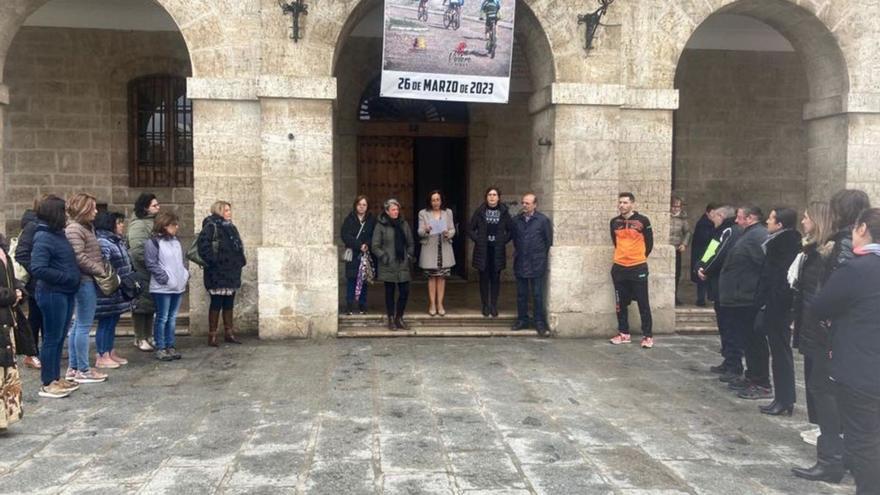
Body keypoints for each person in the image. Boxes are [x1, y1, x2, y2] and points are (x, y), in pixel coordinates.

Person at [810, 208, 880, 494]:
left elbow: (820, 306)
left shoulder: (858, 267)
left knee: (863, 439)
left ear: (862, 228)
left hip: (861, 367)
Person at [790, 202, 844, 483]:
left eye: (808, 217)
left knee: (825, 394)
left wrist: (815, 329)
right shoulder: (814, 251)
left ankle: (832, 460)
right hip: (814, 331)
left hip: (822, 335)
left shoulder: (826, 254)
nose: (803, 222)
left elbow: (818, 298)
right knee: (819, 392)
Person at [29, 195, 80, 398]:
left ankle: (56, 378)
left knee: (59, 338)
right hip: (52, 293)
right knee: (51, 338)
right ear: (55, 213)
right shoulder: (42, 236)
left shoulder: (58, 234)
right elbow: (38, 268)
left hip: (65, 292)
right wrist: (65, 277)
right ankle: (48, 382)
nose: (66, 215)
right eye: (64, 211)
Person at [717, 206, 769, 399]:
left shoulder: (757, 236)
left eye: (739, 218)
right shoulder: (748, 234)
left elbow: (763, 266)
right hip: (739, 297)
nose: (736, 221)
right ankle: (752, 377)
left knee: (754, 342)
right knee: (746, 340)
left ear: (750, 218)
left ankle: (760, 381)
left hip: (747, 298)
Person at [753, 207, 801, 412]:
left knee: (781, 353)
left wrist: (771, 303)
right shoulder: (778, 243)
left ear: (780, 224)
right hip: (775, 304)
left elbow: (780, 280)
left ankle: (785, 399)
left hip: (777, 307)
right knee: (779, 352)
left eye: (771, 219)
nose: (767, 222)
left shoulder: (782, 245)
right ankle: (783, 398)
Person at [64, 193, 108, 384]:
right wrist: (100, 270)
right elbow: (79, 256)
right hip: (84, 281)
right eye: (93, 207)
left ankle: (75, 368)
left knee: (78, 326)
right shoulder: (75, 229)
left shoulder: (83, 228)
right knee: (82, 325)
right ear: (83, 209)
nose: (96, 211)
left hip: (86, 280)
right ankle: (82, 369)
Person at [697, 205, 741, 375]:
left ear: (721, 216)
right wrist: (700, 265)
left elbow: (719, 254)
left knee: (728, 325)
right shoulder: (720, 232)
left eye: (714, 216)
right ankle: (728, 360)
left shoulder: (729, 231)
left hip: (723, 286)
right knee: (724, 325)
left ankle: (732, 363)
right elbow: (710, 251)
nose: (711, 219)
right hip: (717, 285)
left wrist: (705, 269)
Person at [199, 201, 247, 347]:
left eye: (229, 210)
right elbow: (204, 247)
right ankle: (212, 335)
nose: (229, 213)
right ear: (219, 211)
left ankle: (229, 332)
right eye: (226, 210)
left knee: (229, 302)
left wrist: (239, 261)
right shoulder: (211, 226)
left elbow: (237, 247)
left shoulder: (231, 227)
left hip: (231, 271)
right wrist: (215, 262)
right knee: (216, 302)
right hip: (217, 272)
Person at [609, 192, 654, 347]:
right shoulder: (614, 222)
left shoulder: (643, 221)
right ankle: (624, 333)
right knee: (620, 303)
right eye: (620, 202)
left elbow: (649, 244)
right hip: (619, 268)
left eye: (625, 202)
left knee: (643, 302)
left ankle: (647, 336)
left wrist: (638, 257)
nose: (622, 205)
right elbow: (615, 242)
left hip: (638, 267)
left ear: (632, 204)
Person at [144, 211, 189, 361]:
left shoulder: (176, 241)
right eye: (173, 224)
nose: (176, 227)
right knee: (162, 317)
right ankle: (161, 346)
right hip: (162, 287)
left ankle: (171, 345)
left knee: (172, 317)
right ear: (164, 225)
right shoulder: (154, 242)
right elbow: (151, 263)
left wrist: (184, 275)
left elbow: (179, 262)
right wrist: (165, 278)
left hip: (177, 284)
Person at [94, 211, 134, 369]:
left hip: (119, 288)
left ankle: (110, 351)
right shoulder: (103, 242)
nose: (122, 225)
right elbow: (104, 264)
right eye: (118, 222)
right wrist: (115, 279)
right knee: (105, 322)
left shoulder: (116, 241)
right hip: (108, 289)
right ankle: (101, 354)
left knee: (112, 321)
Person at [510, 193, 552, 336]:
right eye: (523, 203)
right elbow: (514, 239)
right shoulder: (517, 220)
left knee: (537, 294)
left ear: (535, 204)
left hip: (536, 263)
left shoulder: (542, 220)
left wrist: (539, 256)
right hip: (521, 261)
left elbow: (548, 241)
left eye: (528, 203)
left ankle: (539, 322)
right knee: (521, 294)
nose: (525, 205)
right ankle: (522, 319)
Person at [13, 197, 47, 369]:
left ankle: (39, 352)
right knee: (35, 318)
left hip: (41, 280)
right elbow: (22, 253)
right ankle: (31, 353)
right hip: (36, 281)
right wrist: (37, 271)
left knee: (40, 317)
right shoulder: (32, 226)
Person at [468, 186, 511, 318]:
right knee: (484, 279)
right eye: (489, 195)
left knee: (495, 279)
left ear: (498, 197)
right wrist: (479, 240)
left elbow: (510, 230)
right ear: (486, 197)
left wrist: (503, 240)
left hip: (497, 250)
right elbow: (470, 229)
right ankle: (485, 305)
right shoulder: (480, 211)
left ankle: (494, 305)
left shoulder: (504, 212)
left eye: (494, 195)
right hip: (483, 250)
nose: (492, 197)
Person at [372, 199, 415, 330]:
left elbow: (411, 243)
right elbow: (375, 246)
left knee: (404, 291)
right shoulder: (380, 225)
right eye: (393, 210)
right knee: (389, 293)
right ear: (387, 211)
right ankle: (391, 318)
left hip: (402, 263)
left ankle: (399, 317)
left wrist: (408, 255)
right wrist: (384, 257)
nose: (396, 212)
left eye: (397, 209)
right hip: (388, 264)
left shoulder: (404, 224)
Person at [127, 193, 160, 352]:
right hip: (142, 271)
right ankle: (140, 337)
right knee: (141, 305)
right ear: (145, 207)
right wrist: (152, 265)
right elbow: (138, 250)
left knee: (149, 306)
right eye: (154, 205)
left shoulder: (152, 223)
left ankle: (148, 335)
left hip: (151, 271)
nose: (158, 207)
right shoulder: (139, 225)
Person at [418, 190, 456, 316]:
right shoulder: (423, 213)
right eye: (433, 200)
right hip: (430, 248)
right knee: (432, 278)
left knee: (441, 277)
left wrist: (448, 233)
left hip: (443, 248)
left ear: (441, 200)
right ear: (430, 201)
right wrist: (426, 229)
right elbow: (420, 232)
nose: (435, 202)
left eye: (437, 199)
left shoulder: (448, 212)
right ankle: (432, 304)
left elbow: (452, 229)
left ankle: (440, 303)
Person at [0, 233, 24, 428]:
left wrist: (18, 289)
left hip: (5, 319)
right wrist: (10, 295)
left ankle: (5, 417)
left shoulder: (3, 250)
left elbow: (12, 277)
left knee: (6, 367)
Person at [341, 196, 375, 316]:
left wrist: (366, 244)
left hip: (364, 254)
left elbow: (373, 235)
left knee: (364, 280)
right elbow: (345, 235)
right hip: (353, 254)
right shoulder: (349, 219)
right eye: (359, 204)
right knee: (352, 280)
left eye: (364, 205)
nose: (362, 207)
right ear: (356, 205)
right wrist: (359, 245)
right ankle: (349, 305)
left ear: (367, 207)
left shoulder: (371, 220)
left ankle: (362, 304)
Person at [691, 203, 718, 307]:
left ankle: (707, 298)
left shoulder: (709, 223)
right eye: (713, 213)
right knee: (701, 276)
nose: (714, 215)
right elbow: (704, 239)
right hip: (702, 254)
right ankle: (701, 299)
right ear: (708, 212)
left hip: (707, 253)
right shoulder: (703, 224)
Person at [669, 196, 691, 306]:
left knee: (676, 274)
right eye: (673, 206)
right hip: (667, 249)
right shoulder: (665, 216)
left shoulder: (683, 219)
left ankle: (674, 296)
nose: (675, 209)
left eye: (677, 206)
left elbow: (687, 232)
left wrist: (684, 244)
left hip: (676, 249)